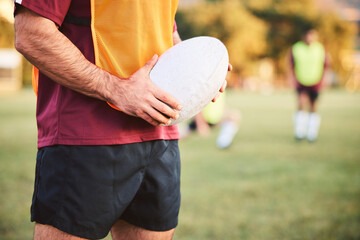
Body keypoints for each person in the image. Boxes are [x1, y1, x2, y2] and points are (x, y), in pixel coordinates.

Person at [14, 1, 228, 239]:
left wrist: (200, 73)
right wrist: (118, 90)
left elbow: (164, 30)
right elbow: (31, 33)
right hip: (85, 135)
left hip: (159, 135)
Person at [290, 28, 329, 142]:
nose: (310, 38)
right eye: (308, 36)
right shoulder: (296, 48)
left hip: (315, 82)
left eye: (312, 36)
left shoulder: (320, 49)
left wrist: (324, 80)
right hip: (301, 81)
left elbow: (326, 66)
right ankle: (299, 132)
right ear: (304, 37)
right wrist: (292, 79)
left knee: (313, 107)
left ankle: (312, 133)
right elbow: (290, 65)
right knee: (301, 104)